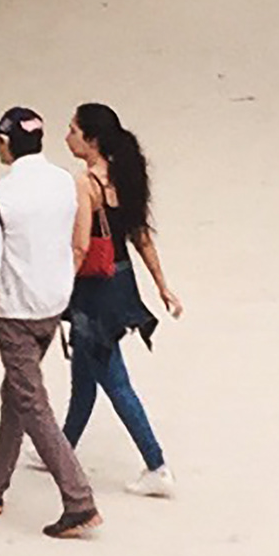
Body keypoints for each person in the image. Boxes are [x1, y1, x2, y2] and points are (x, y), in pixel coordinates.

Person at [0, 103, 100, 537]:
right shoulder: (64, 182)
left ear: (6, 143)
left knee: (32, 404)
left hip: (17, 310)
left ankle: (78, 500)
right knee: (17, 394)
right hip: (53, 303)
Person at [59, 102, 181, 497]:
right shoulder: (124, 176)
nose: (68, 137)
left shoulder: (85, 183)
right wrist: (162, 285)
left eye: (74, 131)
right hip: (121, 283)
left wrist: (56, 287)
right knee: (84, 373)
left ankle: (156, 463)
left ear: (91, 141)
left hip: (94, 290)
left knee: (114, 379)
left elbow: (80, 246)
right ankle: (61, 448)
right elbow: (141, 237)